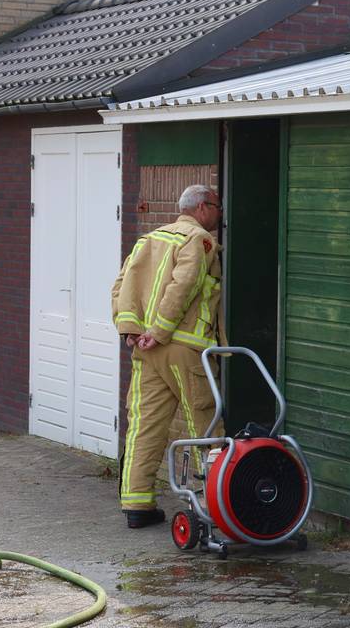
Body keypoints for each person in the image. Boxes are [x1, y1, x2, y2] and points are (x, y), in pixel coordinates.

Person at [111, 184, 225, 528]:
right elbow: (184, 284)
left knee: (144, 425)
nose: (220, 214)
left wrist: (130, 330)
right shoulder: (198, 240)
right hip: (184, 348)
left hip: (146, 353)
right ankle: (210, 506)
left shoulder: (149, 239)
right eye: (218, 207)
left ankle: (137, 505)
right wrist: (158, 331)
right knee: (204, 424)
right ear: (203, 207)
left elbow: (120, 287)